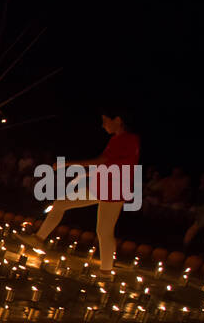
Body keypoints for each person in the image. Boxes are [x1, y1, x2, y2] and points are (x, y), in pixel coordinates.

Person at [31, 108, 140, 273]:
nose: (103, 125)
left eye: (105, 120)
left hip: (114, 188)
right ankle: (38, 238)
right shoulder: (119, 140)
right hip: (103, 185)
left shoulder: (127, 139)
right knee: (61, 203)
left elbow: (103, 161)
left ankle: (105, 271)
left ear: (117, 120)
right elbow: (107, 164)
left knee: (104, 231)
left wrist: (67, 164)